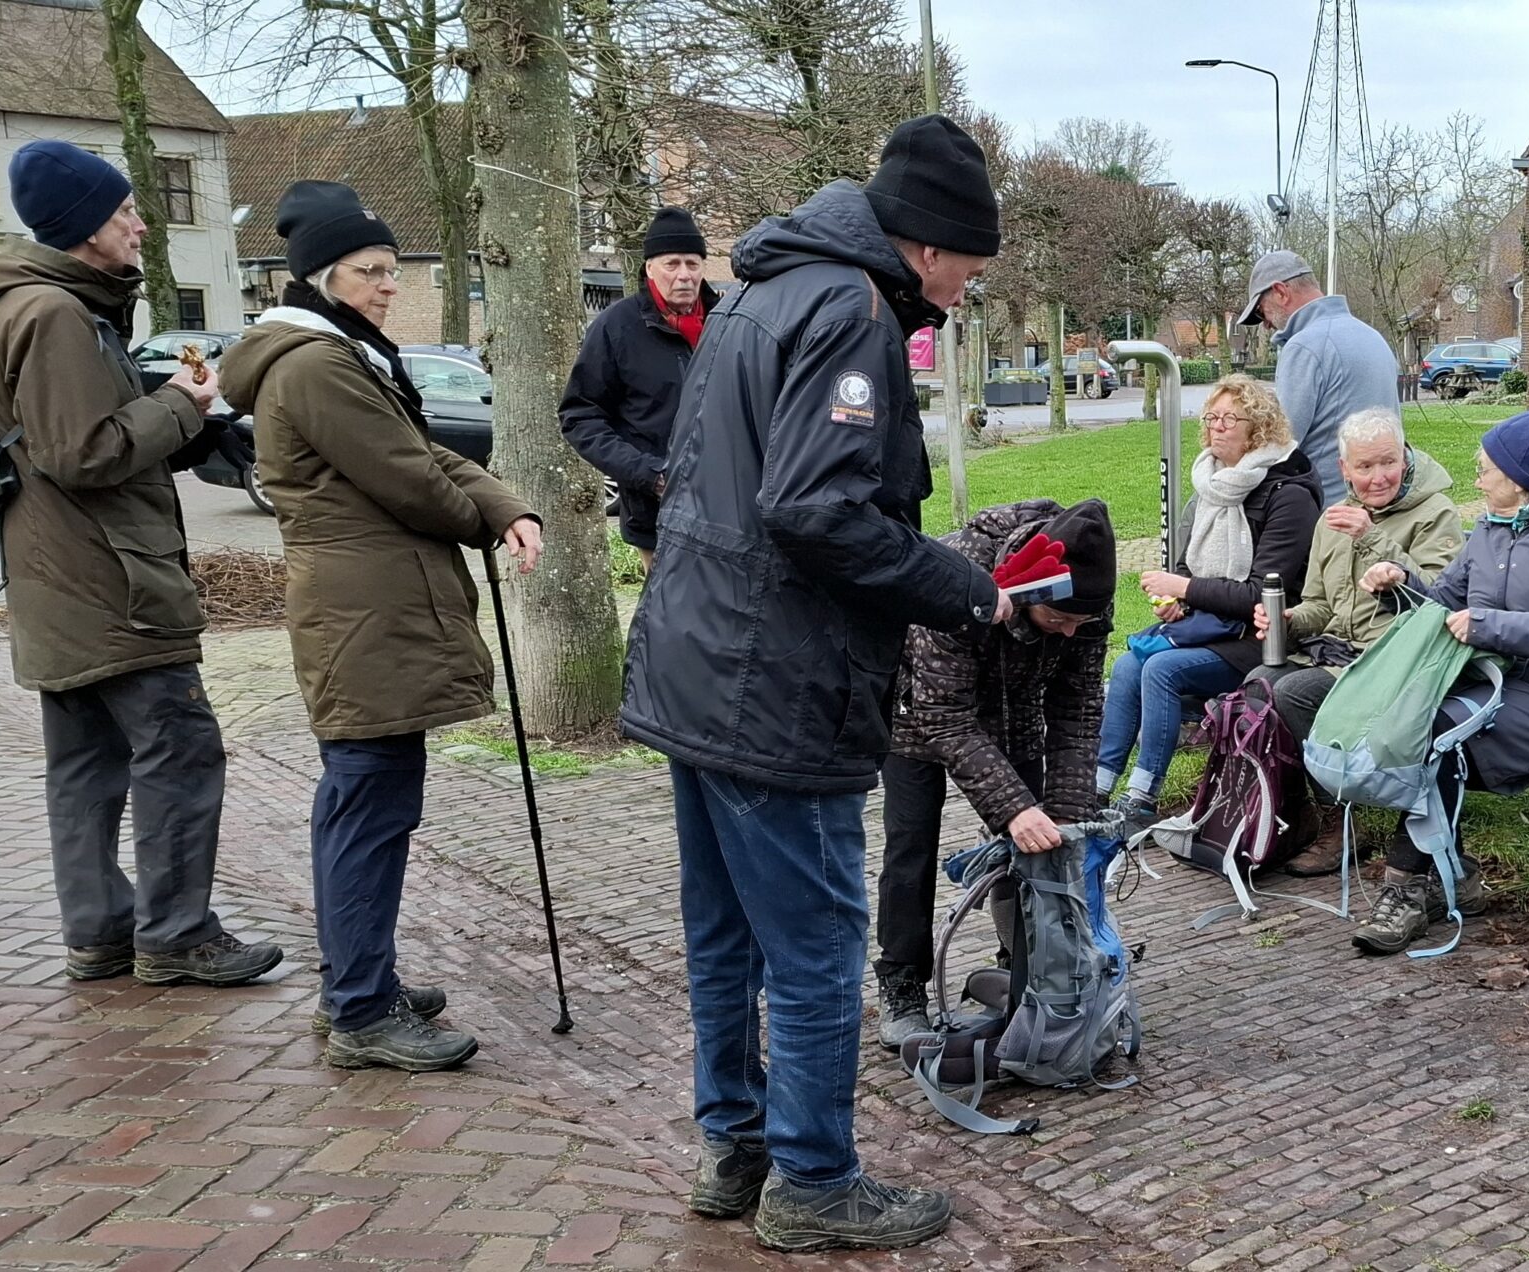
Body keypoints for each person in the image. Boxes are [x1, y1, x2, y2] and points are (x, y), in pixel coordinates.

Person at [618, 114, 1010, 1253]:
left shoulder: (756, 293)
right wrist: (964, 589)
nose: (967, 292)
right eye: (971, 269)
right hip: (772, 679)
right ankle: (814, 1181)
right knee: (814, 941)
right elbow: (815, 510)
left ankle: (733, 1150)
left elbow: (683, 477)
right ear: (928, 245)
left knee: (724, 933)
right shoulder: (849, 311)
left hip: (696, 658)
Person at [221, 181, 546, 1071]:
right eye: (370, 271)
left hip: (370, 611)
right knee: (367, 805)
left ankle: (359, 981)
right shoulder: (317, 365)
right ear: (323, 278)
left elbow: (431, 450)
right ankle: (361, 1007)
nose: (388, 285)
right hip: (365, 615)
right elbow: (411, 479)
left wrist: (507, 505)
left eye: (390, 270)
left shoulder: (342, 356)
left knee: (367, 801)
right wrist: (481, 516)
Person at [0, 140, 281, 988]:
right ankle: (176, 934)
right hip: (112, 582)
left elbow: (70, 440)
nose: (140, 224)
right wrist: (182, 404)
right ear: (81, 228)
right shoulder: (56, 314)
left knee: (85, 766)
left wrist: (178, 422)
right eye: (123, 212)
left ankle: (99, 930)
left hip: (56, 576)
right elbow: (83, 452)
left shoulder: (21, 305)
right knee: (179, 750)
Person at [1348, 409, 1529, 954]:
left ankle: (1406, 889)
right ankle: (1454, 876)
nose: (1476, 479)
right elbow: (1444, 605)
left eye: (1485, 470)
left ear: (1518, 479)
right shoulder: (1492, 529)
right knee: (1415, 726)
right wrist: (1398, 584)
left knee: (1432, 735)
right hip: (1492, 685)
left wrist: (1492, 627)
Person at [874, 498, 1117, 1046]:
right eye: (1060, 619)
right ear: (1033, 595)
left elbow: (1077, 709)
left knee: (1041, 849)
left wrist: (1068, 817)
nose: (1073, 634)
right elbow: (944, 715)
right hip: (918, 714)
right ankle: (903, 984)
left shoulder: (1086, 603)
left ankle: (1030, 966)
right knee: (910, 846)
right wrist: (1014, 809)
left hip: (1015, 713)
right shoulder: (960, 573)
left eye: (1084, 623)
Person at [1244, 407, 1465, 877]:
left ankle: (1344, 823)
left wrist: (1374, 539)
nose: (1379, 477)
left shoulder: (1435, 513)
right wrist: (1287, 620)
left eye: (1388, 462)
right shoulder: (1333, 520)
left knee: (1293, 692)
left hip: (1397, 664)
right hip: (1340, 654)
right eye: (1364, 467)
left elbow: (1439, 602)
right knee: (1259, 683)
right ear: (1345, 469)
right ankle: (1301, 814)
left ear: (1405, 457)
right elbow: (1320, 606)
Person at [1100, 374, 1322, 831]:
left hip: (1267, 636)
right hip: (1212, 626)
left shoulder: (1289, 494)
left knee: (1162, 669)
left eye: (1229, 419)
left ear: (1258, 427)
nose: (1216, 428)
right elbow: (1188, 569)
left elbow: (1262, 592)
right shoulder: (1215, 482)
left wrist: (1186, 591)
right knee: (1127, 666)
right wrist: (1177, 600)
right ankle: (1097, 789)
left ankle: (1141, 798)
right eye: (1211, 418)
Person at [561, 206, 715, 573]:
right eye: (672, 264)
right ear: (649, 268)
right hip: (657, 512)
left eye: (692, 264)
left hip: (729, 506)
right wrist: (647, 473)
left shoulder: (727, 320)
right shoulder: (616, 328)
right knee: (670, 620)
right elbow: (580, 416)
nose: (684, 276)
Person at [1236, 250, 1400, 504]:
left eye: (1261, 311)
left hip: (1326, 511)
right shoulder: (1373, 336)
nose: (1265, 324)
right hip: (1380, 500)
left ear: (1280, 292)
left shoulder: (1304, 346)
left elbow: (1281, 440)